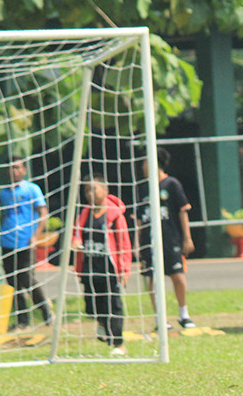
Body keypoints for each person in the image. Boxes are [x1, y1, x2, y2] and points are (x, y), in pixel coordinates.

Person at [137, 147, 196, 330]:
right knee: (152, 280)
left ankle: (183, 314)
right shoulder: (143, 188)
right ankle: (160, 318)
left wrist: (187, 238)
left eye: (146, 162)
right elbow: (139, 220)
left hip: (170, 240)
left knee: (177, 276)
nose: (143, 166)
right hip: (149, 242)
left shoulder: (171, 184)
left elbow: (182, 212)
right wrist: (137, 244)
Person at [73, 174, 132, 356]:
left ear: (105, 191)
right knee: (92, 304)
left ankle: (119, 343)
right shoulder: (85, 213)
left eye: (93, 189)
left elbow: (124, 243)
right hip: (90, 267)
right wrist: (75, 241)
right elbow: (76, 233)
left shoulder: (114, 215)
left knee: (113, 305)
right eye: (86, 190)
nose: (89, 193)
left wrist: (124, 269)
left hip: (109, 268)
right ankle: (101, 324)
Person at [0, 156, 53, 329]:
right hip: (7, 242)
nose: (14, 171)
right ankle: (23, 321)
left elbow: (43, 212)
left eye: (17, 167)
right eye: (11, 168)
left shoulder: (32, 189)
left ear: (24, 170)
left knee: (27, 279)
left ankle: (46, 311)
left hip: (25, 242)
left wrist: (36, 235)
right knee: (12, 283)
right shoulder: (4, 193)